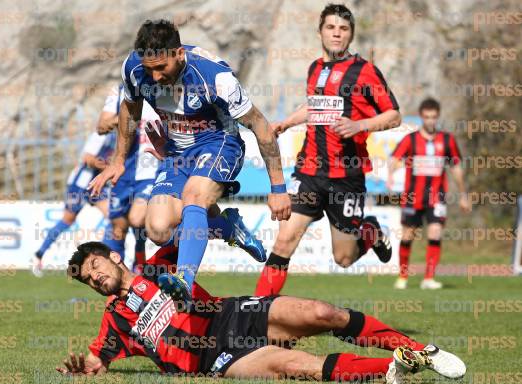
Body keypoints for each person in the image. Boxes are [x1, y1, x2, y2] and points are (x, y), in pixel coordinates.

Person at [56, 241, 466, 384]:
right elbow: (98, 360)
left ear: (113, 257)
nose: (94, 278)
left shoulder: (159, 264)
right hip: (216, 360)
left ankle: (418, 349)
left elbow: (199, 220)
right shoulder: (115, 318)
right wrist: (85, 368)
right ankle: (393, 367)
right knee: (296, 365)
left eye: (95, 267)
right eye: (87, 280)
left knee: (322, 312)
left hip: (231, 314)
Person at [88, 19, 291, 302]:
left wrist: (278, 189)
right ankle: (227, 227)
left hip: (220, 143)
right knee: (157, 230)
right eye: (150, 69)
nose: (156, 76)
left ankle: (183, 278)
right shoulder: (134, 70)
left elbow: (260, 126)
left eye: (162, 68)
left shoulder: (215, 78)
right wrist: (118, 160)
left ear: (179, 54)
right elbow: (130, 109)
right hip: (177, 153)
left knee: (194, 196)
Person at [255, 4, 399, 296]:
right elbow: (314, 105)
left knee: (343, 258)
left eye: (343, 29)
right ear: (320, 31)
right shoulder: (315, 68)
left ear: (351, 35)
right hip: (309, 171)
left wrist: (361, 126)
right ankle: (257, 314)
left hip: (347, 176)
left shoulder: (365, 71)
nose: (337, 33)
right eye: (331, 27)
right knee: (284, 241)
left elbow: (394, 115)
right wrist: (288, 122)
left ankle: (371, 232)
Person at [388, 98, 471, 290]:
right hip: (412, 196)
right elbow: (394, 158)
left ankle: (429, 278)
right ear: (421, 117)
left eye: (434, 117)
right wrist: (391, 175)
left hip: (437, 197)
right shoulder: (411, 139)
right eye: (427, 117)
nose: (430, 121)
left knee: (435, 232)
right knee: (408, 236)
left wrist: (463, 194)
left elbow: (456, 167)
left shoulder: (447, 140)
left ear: (438, 116)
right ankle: (402, 277)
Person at [29, 131, 114, 277]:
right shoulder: (102, 134)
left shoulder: (120, 136)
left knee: (113, 217)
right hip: (80, 184)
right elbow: (87, 158)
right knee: (67, 220)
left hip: (96, 183)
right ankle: (38, 256)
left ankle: (110, 262)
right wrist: (109, 168)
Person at [97, 84, 160, 271]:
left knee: (137, 218)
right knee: (118, 228)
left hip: (151, 171)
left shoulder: (166, 91)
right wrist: (127, 118)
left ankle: (140, 260)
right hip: (123, 171)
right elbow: (101, 126)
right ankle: (121, 277)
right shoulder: (119, 91)